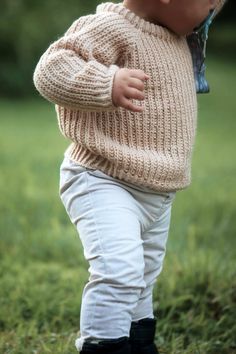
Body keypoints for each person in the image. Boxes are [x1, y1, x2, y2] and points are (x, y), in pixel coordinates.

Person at [33, 0, 226, 353]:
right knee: (119, 271)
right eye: (210, 3)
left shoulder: (177, 39)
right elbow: (51, 69)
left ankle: (138, 342)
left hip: (157, 191)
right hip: (103, 178)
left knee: (141, 278)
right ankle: (104, 344)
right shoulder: (113, 28)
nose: (214, 12)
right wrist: (106, 82)